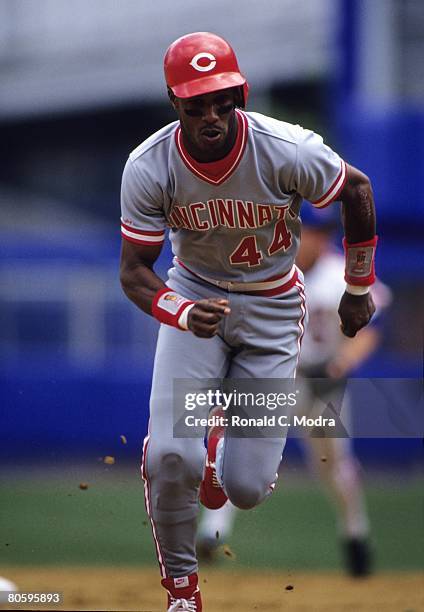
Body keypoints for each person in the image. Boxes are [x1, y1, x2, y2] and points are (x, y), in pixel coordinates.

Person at [119, 32, 378, 611]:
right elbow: (135, 271)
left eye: (222, 100)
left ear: (241, 92)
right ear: (173, 101)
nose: (211, 114)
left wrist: (359, 284)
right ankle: (182, 592)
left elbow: (356, 189)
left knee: (246, 488)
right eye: (195, 104)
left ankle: (218, 456)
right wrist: (181, 311)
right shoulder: (149, 164)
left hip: (274, 310)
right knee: (169, 456)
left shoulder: (285, 147)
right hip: (197, 297)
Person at [197, 206, 390, 578]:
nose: (317, 239)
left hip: (322, 381)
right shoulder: (267, 269)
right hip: (276, 378)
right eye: (310, 231)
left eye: (322, 232)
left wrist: (341, 365)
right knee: (243, 448)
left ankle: (356, 534)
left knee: (334, 467)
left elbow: (371, 329)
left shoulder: (340, 276)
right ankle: (211, 532)